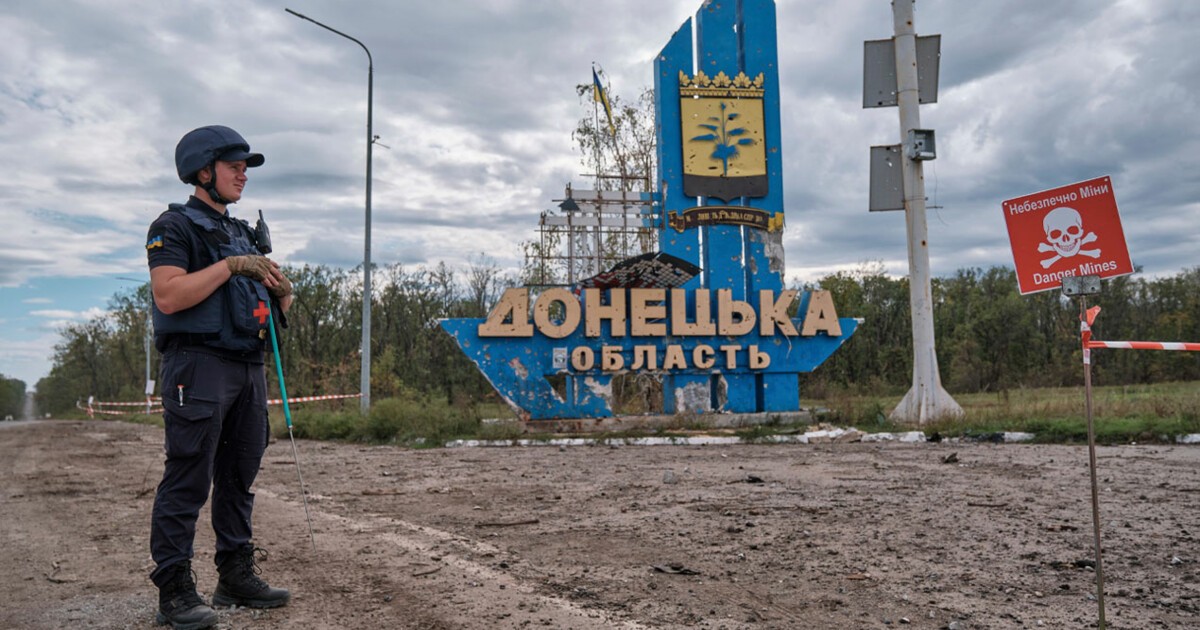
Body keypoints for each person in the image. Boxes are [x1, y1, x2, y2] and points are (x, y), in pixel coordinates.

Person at [145, 125, 293, 629]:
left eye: (246, 167)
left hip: (248, 366)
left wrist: (281, 288)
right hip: (198, 366)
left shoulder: (241, 232)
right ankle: (174, 588)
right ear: (202, 171)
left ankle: (234, 574)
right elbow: (169, 295)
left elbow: (271, 304)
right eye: (234, 166)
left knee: (238, 476)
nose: (243, 175)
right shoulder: (173, 226)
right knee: (188, 477)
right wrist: (232, 266)